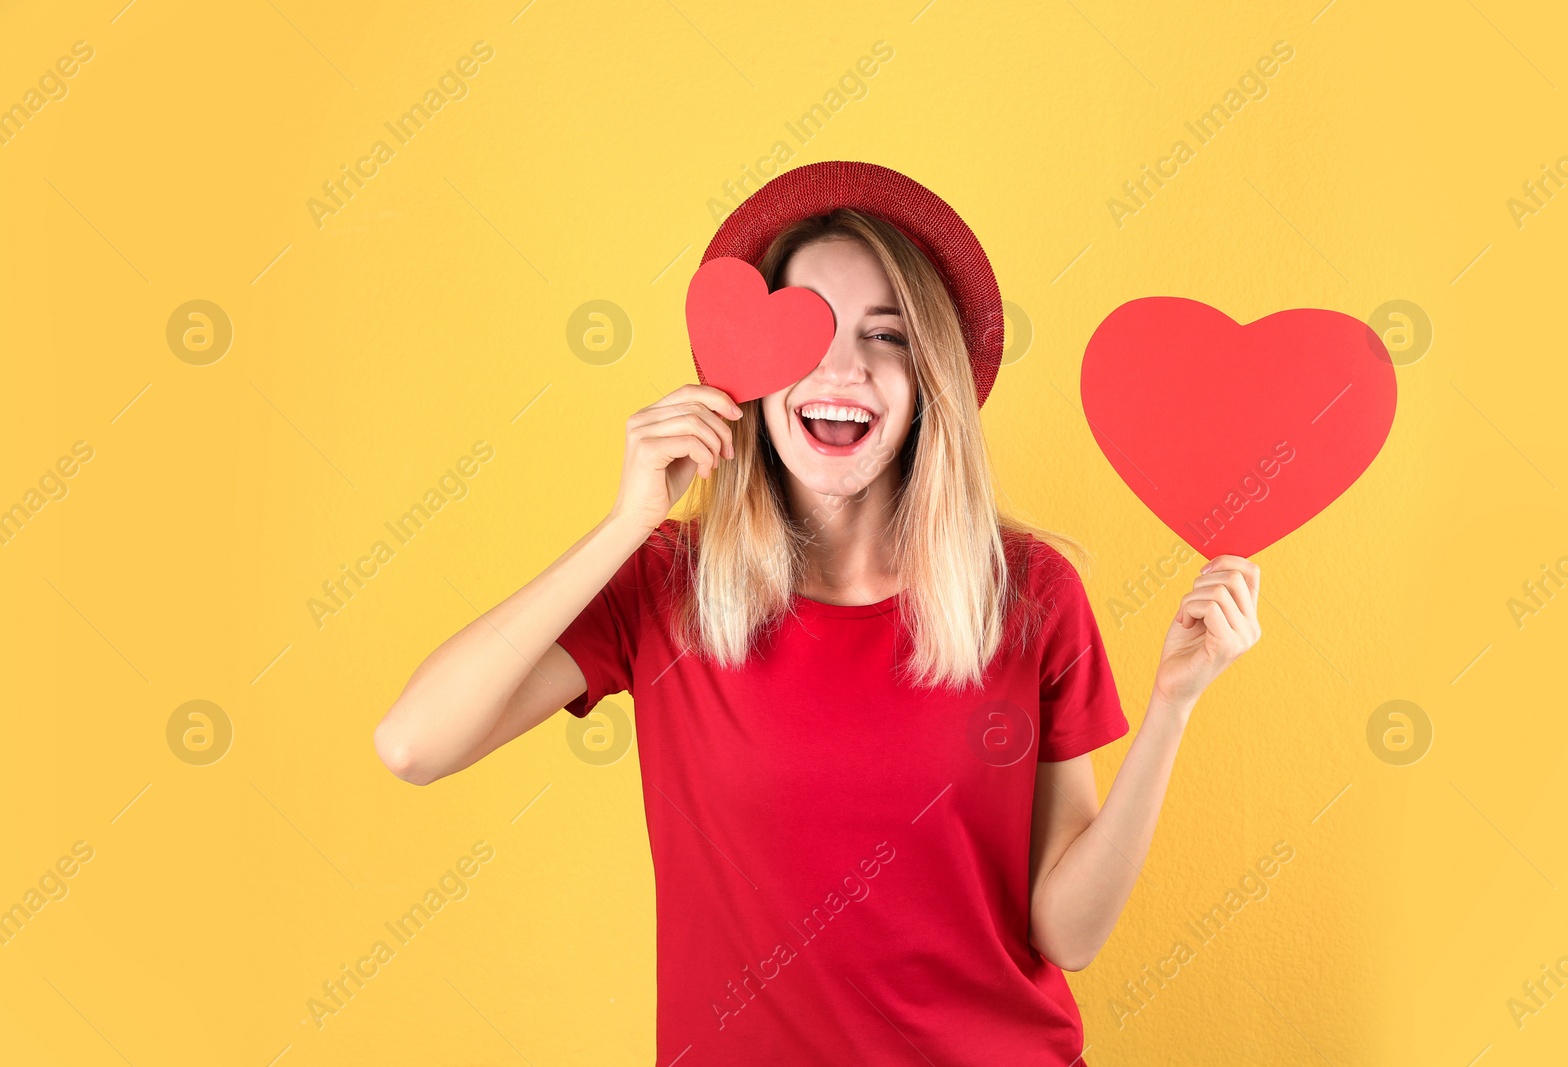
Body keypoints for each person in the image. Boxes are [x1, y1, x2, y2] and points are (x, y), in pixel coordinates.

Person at [373, 160, 1262, 1065]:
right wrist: (625, 523)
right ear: (746, 373)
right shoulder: (664, 587)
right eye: (809, 332)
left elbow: (1068, 935)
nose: (843, 368)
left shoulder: (1028, 593)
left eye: (887, 337)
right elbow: (414, 743)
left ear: (929, 384)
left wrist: (1173, 706)